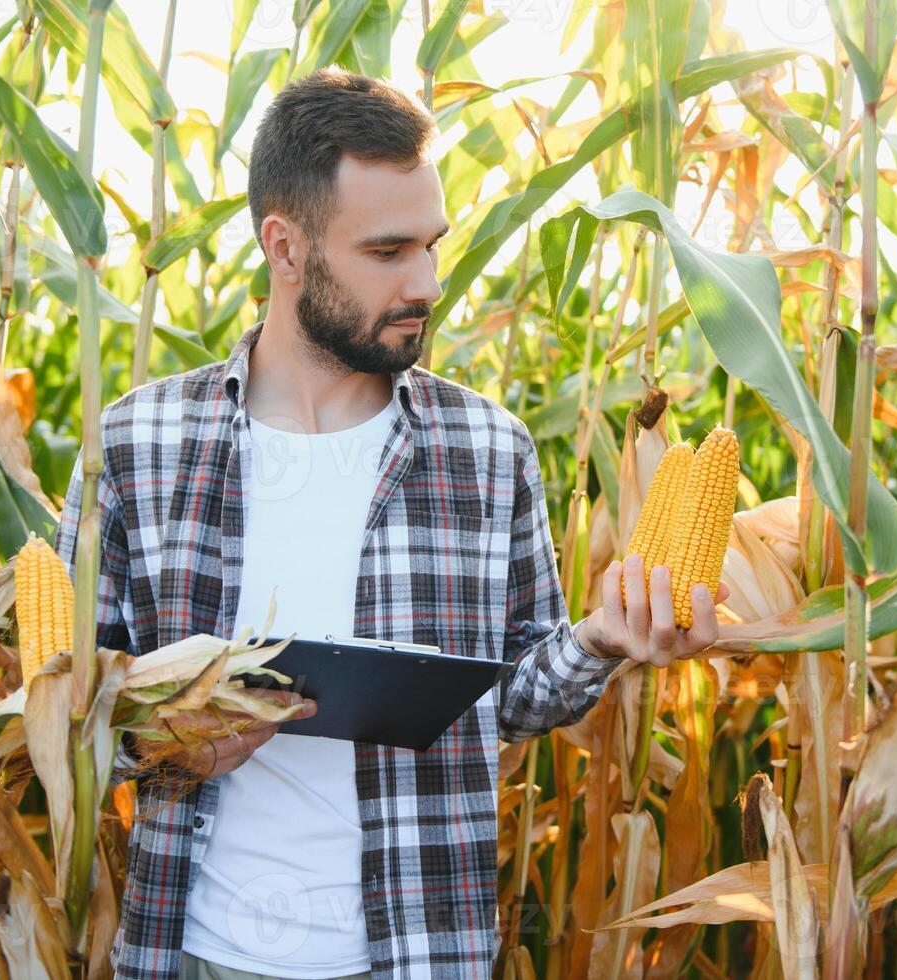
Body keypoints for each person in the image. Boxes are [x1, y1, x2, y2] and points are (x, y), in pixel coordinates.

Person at [51, 68, 729, 980]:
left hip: (415, 951)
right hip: (195, 948)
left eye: (432, 246)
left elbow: (514, 698)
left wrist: (600, 640)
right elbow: (61, 709)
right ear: (283, 248)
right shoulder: (139, 443)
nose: (424, 282)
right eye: (387, 252)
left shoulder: (487, 448)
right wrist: (162, 740)